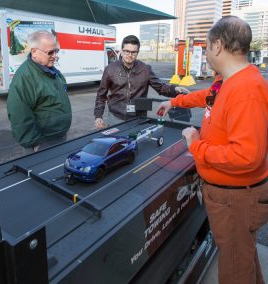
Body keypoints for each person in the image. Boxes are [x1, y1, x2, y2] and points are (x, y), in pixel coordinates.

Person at [156, 16, 268, 284]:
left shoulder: (246, 89)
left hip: (235, 199)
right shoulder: (228, 80)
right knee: (240, 254)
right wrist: (176, 101)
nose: (205, 52)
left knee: (233, 268)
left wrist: (197, 146)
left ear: (218, 45)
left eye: (206, 46)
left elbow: (247, 156)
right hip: (230, 196)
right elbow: (208, 97)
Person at [94, 35, 189, 129]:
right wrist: (98, 116)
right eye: (127, 51)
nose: (130, 55)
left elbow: (160, 87)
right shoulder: (110, 69)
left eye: (133, 52)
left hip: (139, 117)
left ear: (138, 52)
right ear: (122, 51)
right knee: (116, 143)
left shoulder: (145, 69)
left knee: (138, 143)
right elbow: (101, 95)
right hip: (115, 117)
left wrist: (175, 89)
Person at [7, 30, 72, 152]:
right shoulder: (25, 77)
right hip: (42, 144)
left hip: (58, 137)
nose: (55, 55)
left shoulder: (52, 71)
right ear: (34, 52)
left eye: (56, 51)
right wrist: (35, 143)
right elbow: (19, 115)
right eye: (50, 52)